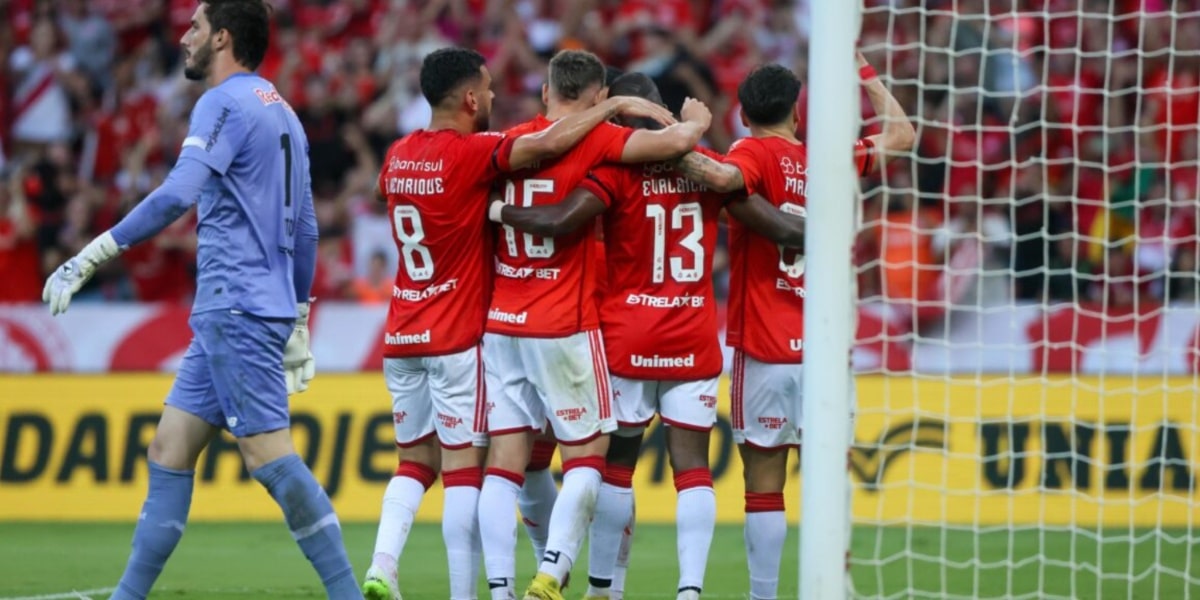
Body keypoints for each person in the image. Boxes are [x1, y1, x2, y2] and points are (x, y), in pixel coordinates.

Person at [41, 1, 361, 598]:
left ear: (222, 38)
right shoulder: (284, 112)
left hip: (234, 303)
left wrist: (92, 254)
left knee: (270, 458)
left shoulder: (222, 102)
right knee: (169, 447)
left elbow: (177, 194)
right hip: (246, 307)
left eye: (193, 27)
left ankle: (346, 592)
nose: (183, 36)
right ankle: (127, 595)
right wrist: (297, 316)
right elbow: (308, 230)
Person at [363, 47, 674, 600]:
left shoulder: (412, 151)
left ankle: (453, 579)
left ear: (545, 91)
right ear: (468, 98)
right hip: (516, 328)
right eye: (484, 87)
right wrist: (657, 114)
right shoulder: (488, 150)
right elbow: (575, 145)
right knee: (549, 459)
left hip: (452, 327)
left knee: (466, 465)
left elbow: (385, 190)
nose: (491, 95)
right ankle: (549, 576)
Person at [491, 72, 807, 600]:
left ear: (620, 123)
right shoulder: (708, 172)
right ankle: (688, 591)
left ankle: (605, 590)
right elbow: (765, 219)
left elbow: (564, 219)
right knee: (693, 473)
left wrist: (498, 211)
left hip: (627, 339)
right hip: (693, 337)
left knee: (617, 470)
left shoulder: (616, 171)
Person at [673, 54, 916, 600]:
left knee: (764, 486)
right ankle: (835, 587)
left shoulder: (751, 151)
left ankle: (764, 596)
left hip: (765, 345)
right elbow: (902, 133)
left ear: (742, 112)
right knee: (828, 482)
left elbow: (724, 178)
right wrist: (864, 75)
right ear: (797, 114)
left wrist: (680, 134)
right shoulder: (828, 159)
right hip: (825, 351)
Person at [476, 49, 712, 600]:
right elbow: (706, 165)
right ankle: (563, 571)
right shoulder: (607, 147)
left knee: (511, 464)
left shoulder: (505, 144)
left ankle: (504, 588)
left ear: (544, 92)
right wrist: (696, 124)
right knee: (602, 460)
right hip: (585, 325)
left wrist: (493, 211)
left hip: (515, 322)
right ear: (601, 99)